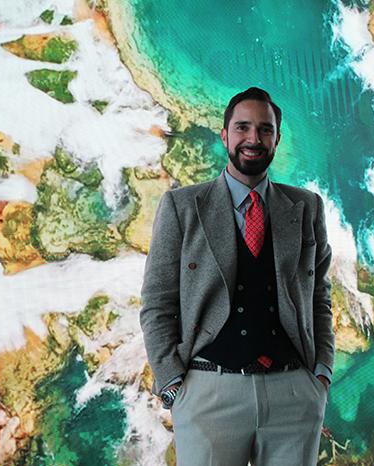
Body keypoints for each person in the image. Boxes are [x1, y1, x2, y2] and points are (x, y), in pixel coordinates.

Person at [140, 86, 334, 465]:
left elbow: (319, 298)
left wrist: (321, 374)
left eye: (265, 130)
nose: (253, 138)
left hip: (294, 394)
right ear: (225, 134)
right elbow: (157, 304)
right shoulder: (181, 207)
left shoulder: (307, 206)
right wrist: (173, 387)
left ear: (277, 138)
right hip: (208, 395)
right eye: (243, 127)